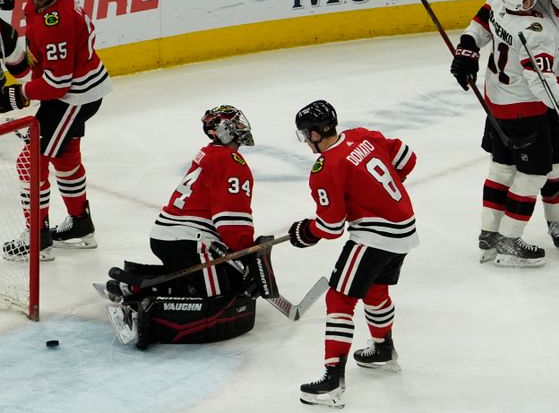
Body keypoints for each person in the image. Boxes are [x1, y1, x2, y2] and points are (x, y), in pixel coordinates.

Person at [451, 0, 559, 259]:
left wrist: (467, 48)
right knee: (539, 169)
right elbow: (539, 80)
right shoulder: (535, 28)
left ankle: (499, 231)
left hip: (499, 96)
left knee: (506, 168)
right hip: (535, 100)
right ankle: (507, 238)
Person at [101, 106, 276, 349]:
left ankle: (131, 285)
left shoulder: (209, 154)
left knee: (223, 280)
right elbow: (231, 225)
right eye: (235, 123)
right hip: (191, 240)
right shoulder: (231, 162)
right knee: (219, 299)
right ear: (224, 130)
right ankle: (139, 309)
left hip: (169, 235)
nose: (241, 127)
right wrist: (246, 255)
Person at [288, 100, 418, 409]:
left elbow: (331, 226)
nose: (306, 140)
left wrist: (305, 232)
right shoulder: (362, 135)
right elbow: (408, 159)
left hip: (375, 236)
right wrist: (378, 195)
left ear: (317, 133)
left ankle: (332, 382)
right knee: (375, 290)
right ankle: (383, 350)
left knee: (339, 299)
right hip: (405, 228)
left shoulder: (326, 167)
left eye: (306, 134)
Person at [0, 0, 113, 261]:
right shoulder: (36, 6)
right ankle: (81, 227)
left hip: (74, 96)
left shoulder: (56, 22)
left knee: (29, 161)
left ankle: (38, 239)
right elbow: (42, 62)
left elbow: (58, 83)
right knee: (64, 156)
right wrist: (20, 89)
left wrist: (20, 93)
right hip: (76, 91)